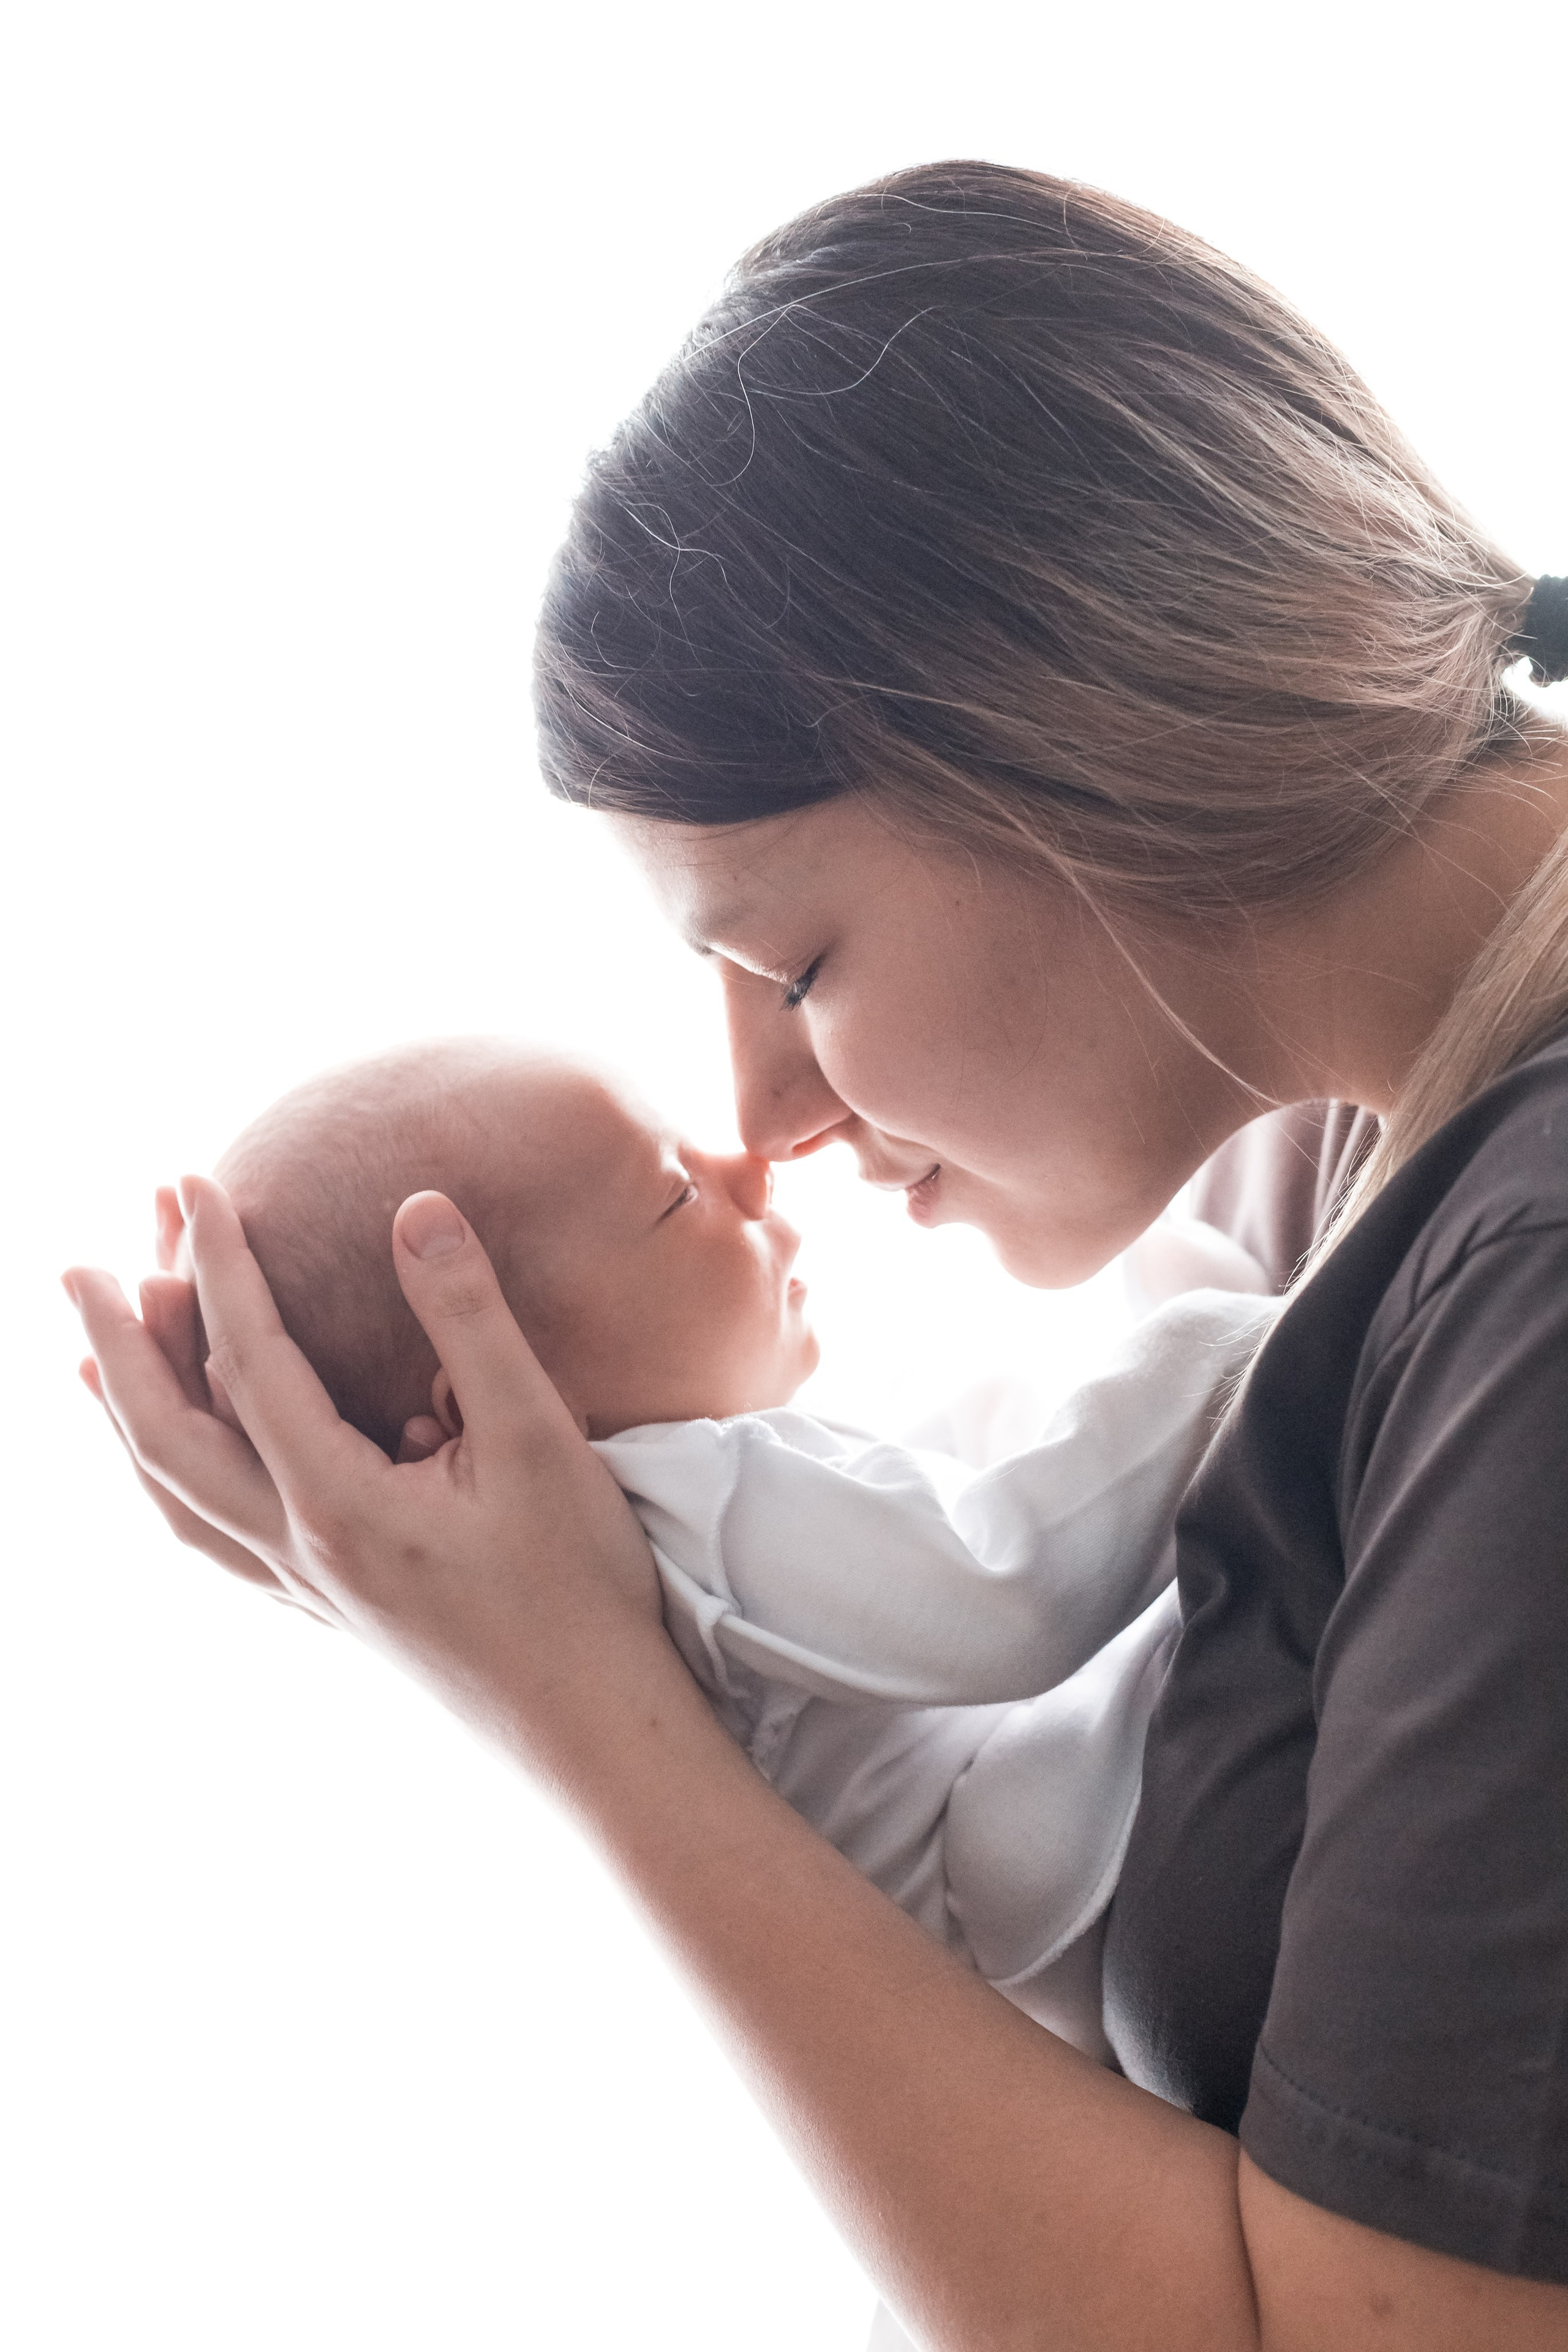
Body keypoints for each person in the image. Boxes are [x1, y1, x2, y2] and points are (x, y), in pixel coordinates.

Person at [67, 160, 1568, 2348]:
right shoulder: (1327, 1162)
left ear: (1083, 747)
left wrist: (591, 1710)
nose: (768, 1122)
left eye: (793, 961)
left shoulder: (1533, 1268)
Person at [202, 1034, 1274, 2057]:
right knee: (1124, 1459)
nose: (752, 1172)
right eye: (675, 1193)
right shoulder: (688, 1500)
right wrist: (1230, 1345)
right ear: (504, 1390)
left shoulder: (618, 1541)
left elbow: (949, 1493)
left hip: (1023, 1932)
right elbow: (1015, 1592)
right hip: (1030, 1894)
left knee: (1006, 1412)